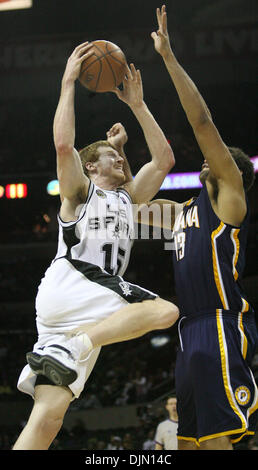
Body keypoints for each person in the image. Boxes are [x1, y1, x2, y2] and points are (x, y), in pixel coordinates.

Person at [13, 41, 179, 450]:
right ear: (91, 166)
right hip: (77, 282)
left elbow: (163, 162)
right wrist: (68, 82)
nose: (121, 161)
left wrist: (137, 106)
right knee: (165, 311)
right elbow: (64, 146)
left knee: (49, 417)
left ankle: (78, 342)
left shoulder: (129, 198)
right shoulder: (79, 192)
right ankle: (82, 341)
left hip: (72, 311)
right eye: (111, 157)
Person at [149, 5, 258, 450]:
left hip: (219, 325)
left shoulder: (230, 195)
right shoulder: (184, 211)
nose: (207, 155)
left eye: (220, 155)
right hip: (188, 331)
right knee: (190, 444)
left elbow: (201, 122)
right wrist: (137, 106)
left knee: (217, 442)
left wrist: (170, 59)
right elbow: (135, 205)